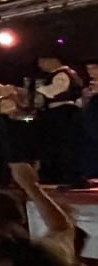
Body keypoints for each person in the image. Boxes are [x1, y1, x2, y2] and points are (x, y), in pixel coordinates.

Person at [34, 54, 86, 186]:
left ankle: (63, 176)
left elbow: (55, 90)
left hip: (62, 112)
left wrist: (39, 90)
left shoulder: (62, 74)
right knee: (60, 145)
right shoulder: (68, 73)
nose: (40, 65)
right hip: (63, 112)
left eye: (42, 62)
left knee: (60, 145)